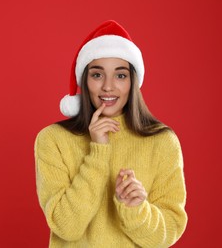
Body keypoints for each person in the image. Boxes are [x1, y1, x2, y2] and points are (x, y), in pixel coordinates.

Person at [34, 20, 187, 247]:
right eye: (97, 75)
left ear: (133, 82)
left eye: (120, 75)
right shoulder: (53, 140)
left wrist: (135, 209)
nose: (108, 86)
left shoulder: (162, 141)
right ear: (84, 80)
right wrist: (98, 152)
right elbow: (67, 227)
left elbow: (167, 233)